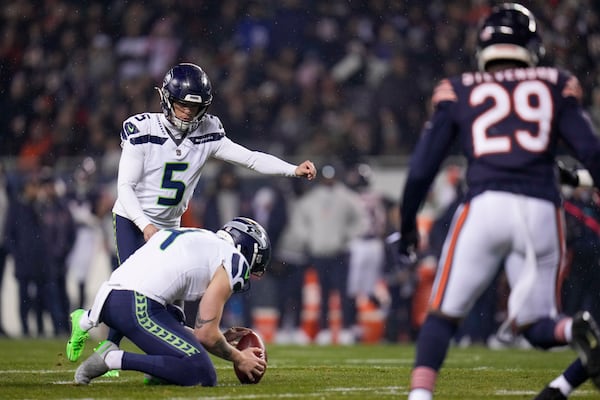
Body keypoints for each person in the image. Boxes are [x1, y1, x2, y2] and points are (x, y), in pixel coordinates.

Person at [397, 4, 600, 400]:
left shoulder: (459, 88)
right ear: (533, 47)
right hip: (542, 209)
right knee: (538, 326)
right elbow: (591, 152)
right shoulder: (555, 82)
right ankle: (570, 329)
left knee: (442, 315)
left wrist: (407, 226)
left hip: (486, 206)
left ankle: (419, 397)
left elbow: (422, 169)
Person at [103, 62, 316, 348]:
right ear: (166, 98)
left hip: (169, 224)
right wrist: (145, 225)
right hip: (133, 217)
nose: (188, 112)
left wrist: (292, 169)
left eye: (195, 107)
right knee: (132, 290)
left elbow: (250, 158)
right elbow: (125, 187)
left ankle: (163, 359)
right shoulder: (142, 128)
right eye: (182, 105)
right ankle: (107, 345)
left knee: (169, 303)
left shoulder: (208, 131)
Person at [65, 217, 269, 386]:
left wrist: (220, 338)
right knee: (201, 372)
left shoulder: (198, 237)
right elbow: (206, 335)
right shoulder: (234, 260)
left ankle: (159, 373)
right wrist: (240, 358)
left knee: (176, 317)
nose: (251, 273)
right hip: (137, 304)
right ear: (248, 250)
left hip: (112, 301)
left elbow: (192, 331)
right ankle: (112, 358)